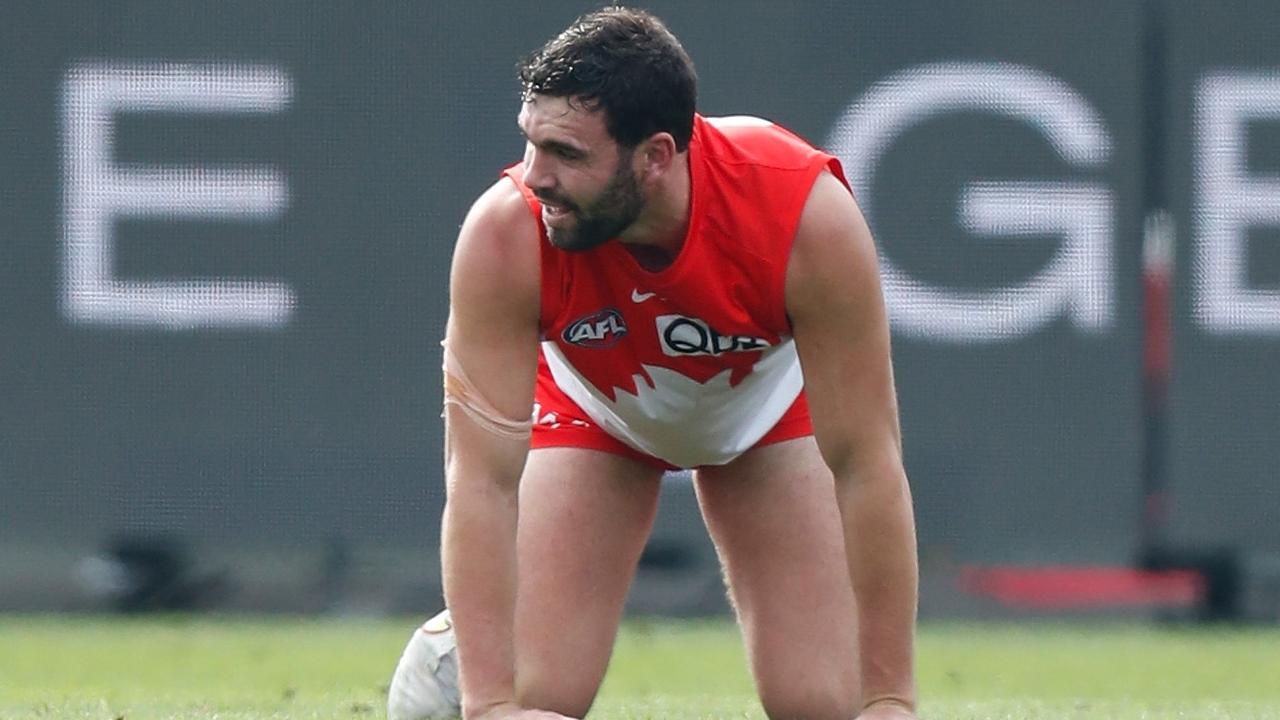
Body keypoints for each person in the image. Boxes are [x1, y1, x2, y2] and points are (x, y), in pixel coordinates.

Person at [391, 6, 919, 720]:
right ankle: (465, 643)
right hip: (596, 408)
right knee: (536, 696)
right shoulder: (503, 232)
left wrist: (891, 700)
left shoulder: (802, 214)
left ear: (656, 156)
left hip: (765, 411)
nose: (535, 177)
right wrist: (488, 704)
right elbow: (480, 481)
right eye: (531, 142)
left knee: (822, 705)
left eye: (567, 154)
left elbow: (868, 463)